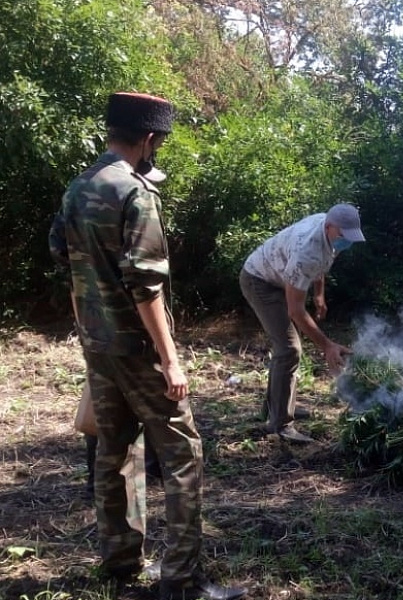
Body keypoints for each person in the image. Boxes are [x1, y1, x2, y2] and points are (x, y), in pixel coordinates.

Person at [50, 92, 246, 600]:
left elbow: (67, 261)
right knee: (183, 455)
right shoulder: (135, 194)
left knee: (113, 452)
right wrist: (170, 359)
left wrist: (90, 329)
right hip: (137, 350)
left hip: (98, 345)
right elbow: (146, 287)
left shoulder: (79, 187)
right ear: (149, 139)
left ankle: (119, 563)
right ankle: (181, 581)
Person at [239, 203, 366, 443]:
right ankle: (280, 426)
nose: (347, 243)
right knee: (290, 349)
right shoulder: (305, 250)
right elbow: (296, 310)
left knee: (288, 347)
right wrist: (327, 346)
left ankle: (278, 406)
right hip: (260, 282)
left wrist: (319, 294)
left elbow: (322, 262)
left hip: (280, 278)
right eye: (344, 236)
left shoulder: (328, 230)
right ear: (329, 227)